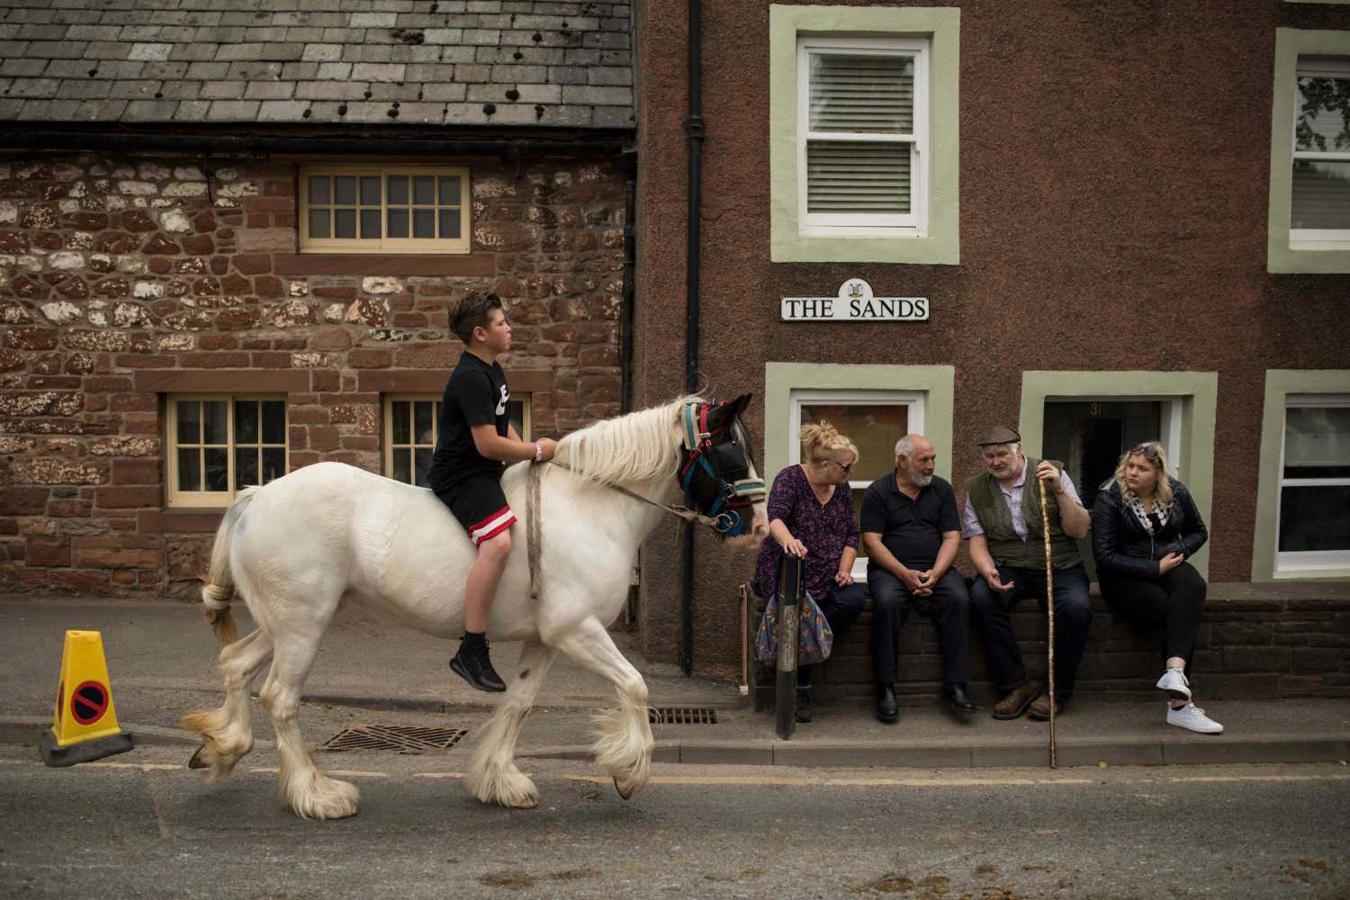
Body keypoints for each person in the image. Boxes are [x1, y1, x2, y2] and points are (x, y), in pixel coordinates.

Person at [428, 290, 557, 692]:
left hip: (484, 470)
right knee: (498, 544)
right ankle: (471, 647)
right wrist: (535, 449)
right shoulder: (469, 377)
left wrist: (529, 459)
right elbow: (487, 444)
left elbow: (504, 427)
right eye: (502, 323)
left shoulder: (492, 370)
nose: (509, 328)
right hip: (461, 475)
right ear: (481, 333)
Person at [1092, 442, 1222, 734]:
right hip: (1123, 575)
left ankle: (1175, 675)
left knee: (1193, 586)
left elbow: (1198, 531)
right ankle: (1180, 707)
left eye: (1142, 468)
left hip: (1166, 563)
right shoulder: (1109, 497)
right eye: (1130, 466)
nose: (1132, 473)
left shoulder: (1175, 492)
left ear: (1158, 473)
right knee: (1175, 613)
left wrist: (1178, 551)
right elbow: (1104, 555)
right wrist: (1154, 568)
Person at [964, 427, 1092, 721]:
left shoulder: (1050, 473)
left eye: (1002, 454)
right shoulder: (977, 488)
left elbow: (1079, 529)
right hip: (1010, 565)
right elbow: (977, 539)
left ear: (1019, 450)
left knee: (1075, 608)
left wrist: (1059, 490)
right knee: (981, 598)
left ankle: (1055, 693)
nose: (996, 461)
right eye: (989, 456)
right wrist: (987, 571)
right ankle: (1015, 685)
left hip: (1059, 565)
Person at [861, 434, 978, 724]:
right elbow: (872, 543)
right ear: (902, 461)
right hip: (890, 571)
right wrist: (905, 574)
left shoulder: (941, 490)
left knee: (959, 598)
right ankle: (886, 688)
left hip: (935, 568)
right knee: (887, 604)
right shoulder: (878, 492)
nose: (930, 466)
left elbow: (952, 537)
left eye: (932, 459)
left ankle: (957, 685)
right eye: (923, 460)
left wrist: (936, 574)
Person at [753, 422, 865, 723]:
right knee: (799, 610)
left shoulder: (839, 490)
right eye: (846, 467)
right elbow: (774, 519)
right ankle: (800, 688)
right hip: (791, 570)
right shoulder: (790, 479)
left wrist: (844, 569)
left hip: (827, 576)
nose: (849, 474)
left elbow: (852, 534)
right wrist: (790, 541)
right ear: (826, 464)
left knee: (853, 600)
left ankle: (804, 654)